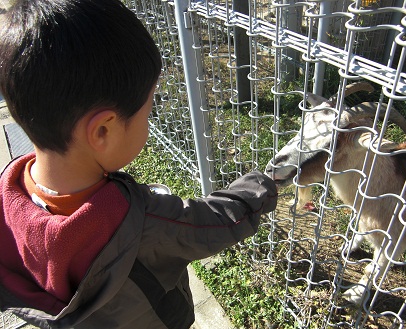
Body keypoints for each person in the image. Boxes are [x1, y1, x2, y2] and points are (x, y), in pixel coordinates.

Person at [0, 0, 278, 328]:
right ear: (102, 131)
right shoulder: (140, 222)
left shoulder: (7, 204)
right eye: (148, 113)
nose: (149, 122)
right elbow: (213, 222)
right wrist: (268, 181)